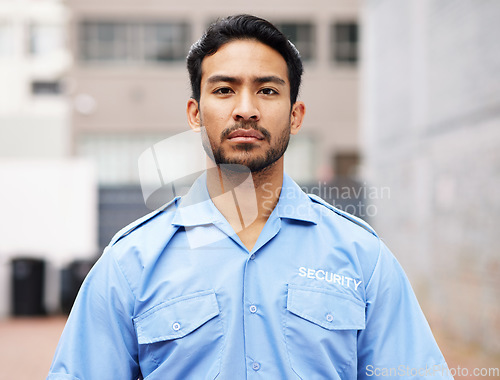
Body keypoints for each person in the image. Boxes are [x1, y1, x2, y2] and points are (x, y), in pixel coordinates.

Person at [48, 14, 453, 380]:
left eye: (268, 91)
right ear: (194, 113)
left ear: (295, 115)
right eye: (224, 90)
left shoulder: (362, 256)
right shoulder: (129, 263)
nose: (246, 109)